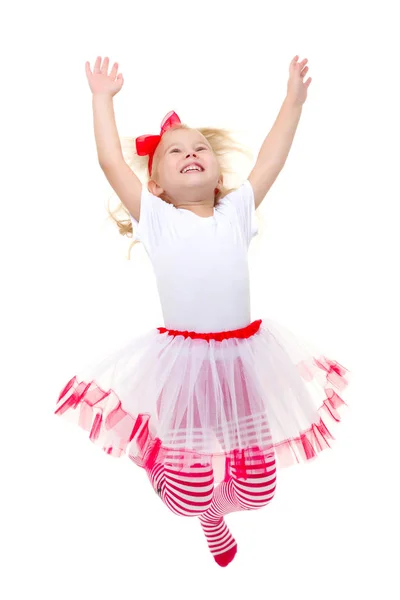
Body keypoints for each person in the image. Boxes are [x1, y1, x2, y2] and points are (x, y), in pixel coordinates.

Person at [55, 55, 349, 568]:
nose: (191, 153)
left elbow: (270, 160)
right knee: (187, 495)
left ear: (216, 175)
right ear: (158, 186)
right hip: (185, 367)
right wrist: (102, 99)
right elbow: (110, 162)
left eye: (200, 149)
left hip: (244, 359)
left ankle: (221, 511)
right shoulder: (157, 219)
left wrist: (293, 103)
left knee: (259, 490)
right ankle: (204, 513)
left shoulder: (236, 212)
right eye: (175, 152)